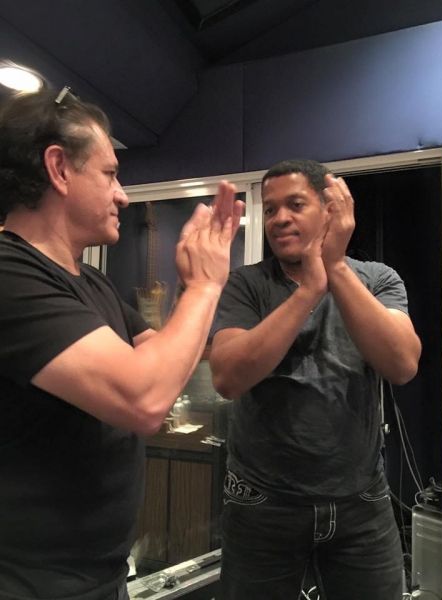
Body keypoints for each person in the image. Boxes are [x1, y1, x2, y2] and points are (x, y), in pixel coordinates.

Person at [0, 88, 244, 600]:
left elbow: (167, 362)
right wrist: (205, 287)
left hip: (102, 576)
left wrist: (190, 291)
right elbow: (144, 397)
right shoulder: (10, 273)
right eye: (110, 174)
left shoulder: (93, 283)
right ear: (59, 169)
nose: (123, 196)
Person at [209, 159, 422, 600]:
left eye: (295, 204)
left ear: (329, 211)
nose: (279, 218)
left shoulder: (378, 279)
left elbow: (402, 364)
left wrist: (335, 268)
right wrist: (308, 290)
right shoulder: (247, 285)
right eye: (270, 209)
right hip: (262, 502)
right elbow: (228, 377)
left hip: (361, 502)